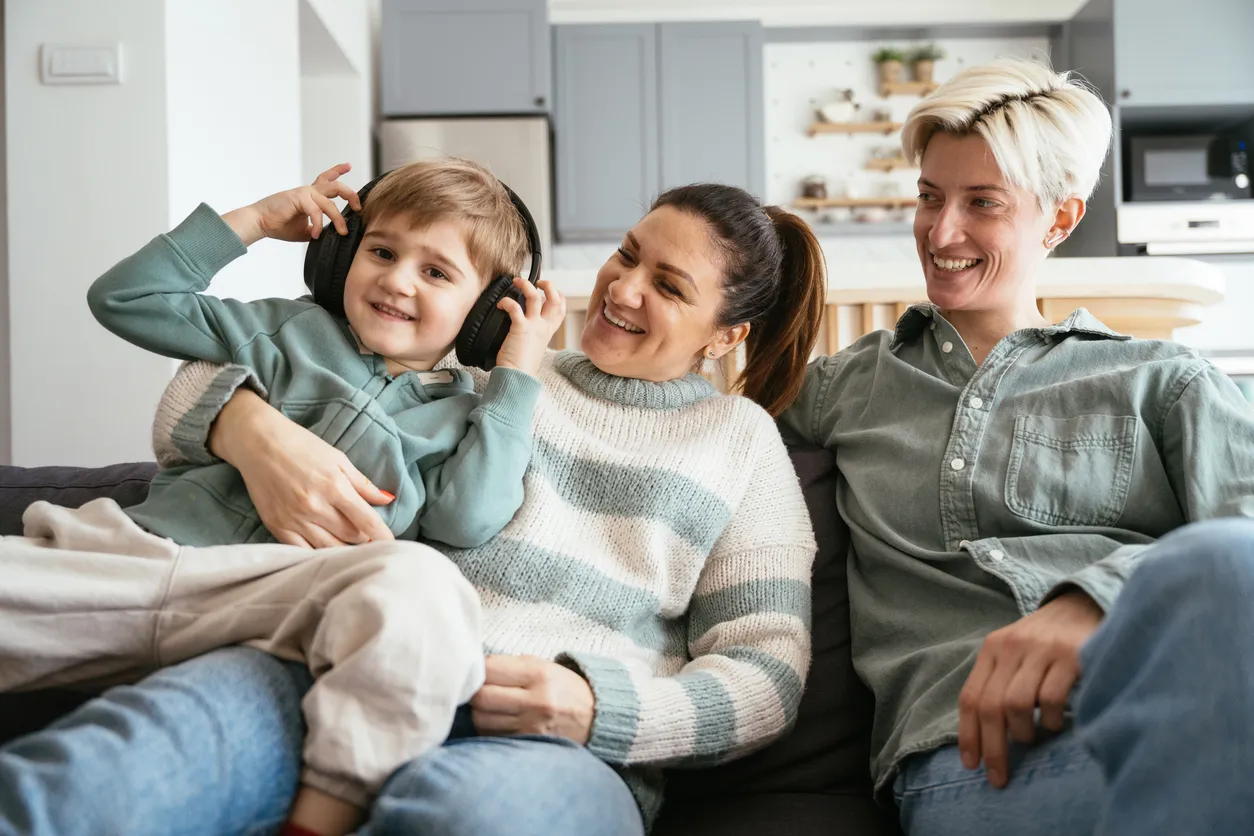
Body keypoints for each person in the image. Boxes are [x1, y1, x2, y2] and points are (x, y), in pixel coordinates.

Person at [0, 181, 827, 836]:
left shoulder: (742, 444)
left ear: (724, 336)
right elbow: (238, 381)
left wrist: (597, 708)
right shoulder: (492, 375)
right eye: (627, 254)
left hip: (546, 746)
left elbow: (766, 675)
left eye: (669, 285)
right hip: (331, 668)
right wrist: (247, 429)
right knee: (91, 779)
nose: (622, 287)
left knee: (459, 818)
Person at [0, 158, 566, 836]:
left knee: (423, 584)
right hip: (133, 561)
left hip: (268, 612)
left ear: (483, 314)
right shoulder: (281, 329)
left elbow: (468, 518)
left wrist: (515, 379)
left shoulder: (461, 419)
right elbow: (123, 299)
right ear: (339, 256)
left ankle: (322, 817)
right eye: (381, 251)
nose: (395, 279)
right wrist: (256, 223)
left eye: (435, 272)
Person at [778, 57, 1254, 835]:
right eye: (930, 198)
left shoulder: (1161, 379)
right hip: (970, 759)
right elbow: (700, 441)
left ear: (1060, 221)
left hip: (1162, 701)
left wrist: (1094, 598)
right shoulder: (844, 388)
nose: (942, 231)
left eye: (982, 204)